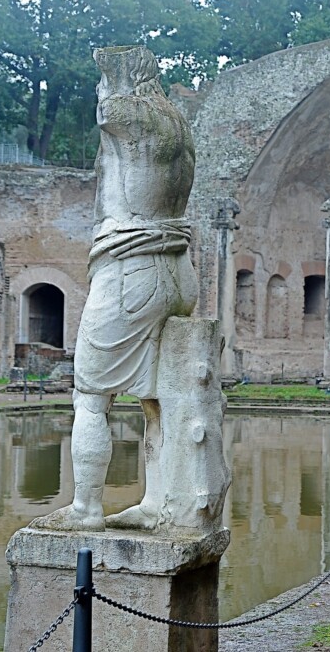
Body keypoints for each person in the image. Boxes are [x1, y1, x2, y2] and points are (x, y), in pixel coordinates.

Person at [33, 46, 198, 531]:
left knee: (89, 395)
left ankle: (86, 508)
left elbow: (109, 110)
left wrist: (112, 76)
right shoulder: (178, 124)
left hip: (132, 272)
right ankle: (158, 502)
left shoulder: (126, 112)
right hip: (178, 270)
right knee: (157, 398)